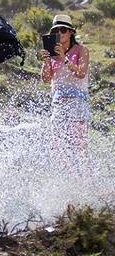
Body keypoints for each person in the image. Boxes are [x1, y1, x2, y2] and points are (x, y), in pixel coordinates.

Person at [39, 14, 90, 169]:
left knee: (78, 144)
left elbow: (81, 73)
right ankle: (66, 178)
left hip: (77, 102)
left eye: (63, 29)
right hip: (58, 103)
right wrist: (47, 62)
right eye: (56, 31)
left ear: (70, 32)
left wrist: (65, 58)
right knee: (58, 144)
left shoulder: (81, 50)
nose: (59, 33)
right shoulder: (52, 54)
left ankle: (87, 181)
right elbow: (46, 79)